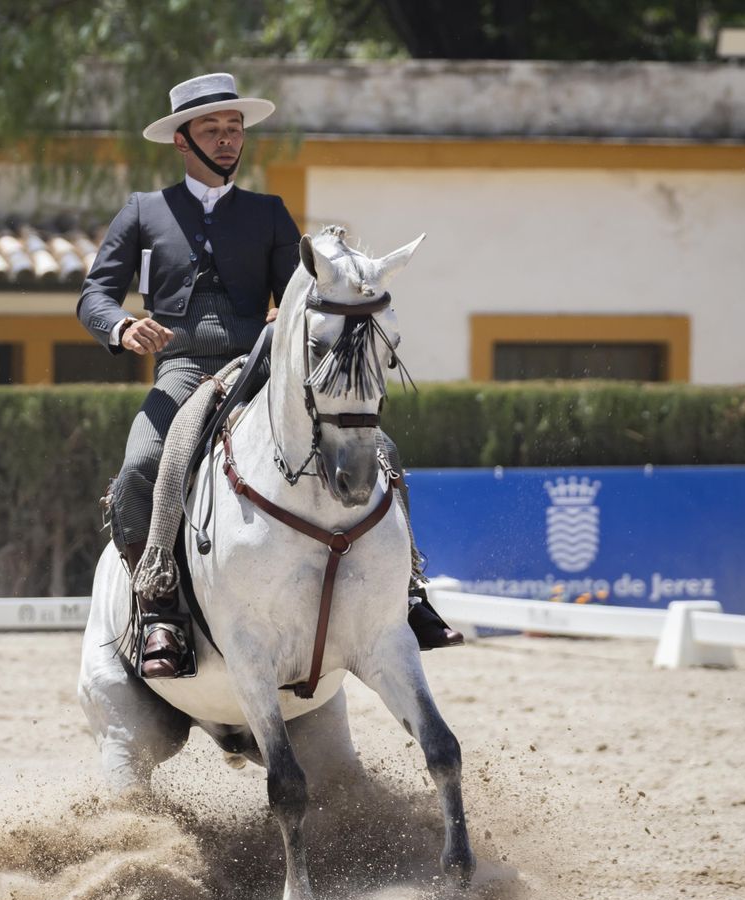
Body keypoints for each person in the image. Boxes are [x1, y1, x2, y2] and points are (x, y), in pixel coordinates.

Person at [77, 72, 460, 678]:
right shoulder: (144, 211)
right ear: (182, 140)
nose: (227, 139)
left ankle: (409, 593)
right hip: (182, 370)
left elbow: (299, 296)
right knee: (140, 467)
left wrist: (294, 316)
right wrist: (122, 327)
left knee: (381, 448)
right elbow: (93, 295)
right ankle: (160, 612)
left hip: (257, 365)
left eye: (234, 128)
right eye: (212, 129)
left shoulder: (269, 213)